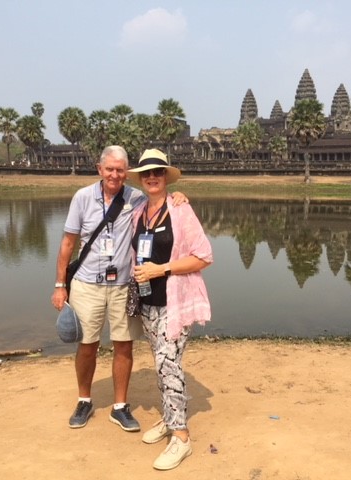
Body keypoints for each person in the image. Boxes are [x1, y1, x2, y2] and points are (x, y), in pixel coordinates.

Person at [51, 145, 186, 431]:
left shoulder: (135, 198)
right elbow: (67, 244)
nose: (114, 174)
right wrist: (60, 284)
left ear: (127, 173)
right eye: (109, 169)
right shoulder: (83, 198)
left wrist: (176, 197)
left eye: (120, 170)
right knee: (87, 345)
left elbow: (158, 199)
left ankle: (120, 406)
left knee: (123, 345)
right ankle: (84, 400)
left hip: (124, 285)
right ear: (99, 170)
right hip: (87, 283)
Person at [128, 148, 213, 471]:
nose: (152, 177)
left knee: (168, 364)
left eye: (158, 172)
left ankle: (181, 436)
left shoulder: (180, 211)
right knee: (163, 362)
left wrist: (160, 269)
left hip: (176, 302)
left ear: (166, 177)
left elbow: (204, 256)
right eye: (147, 173)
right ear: (141, 179)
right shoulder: (139, 212)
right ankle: (169, 417)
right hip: (148, 303)